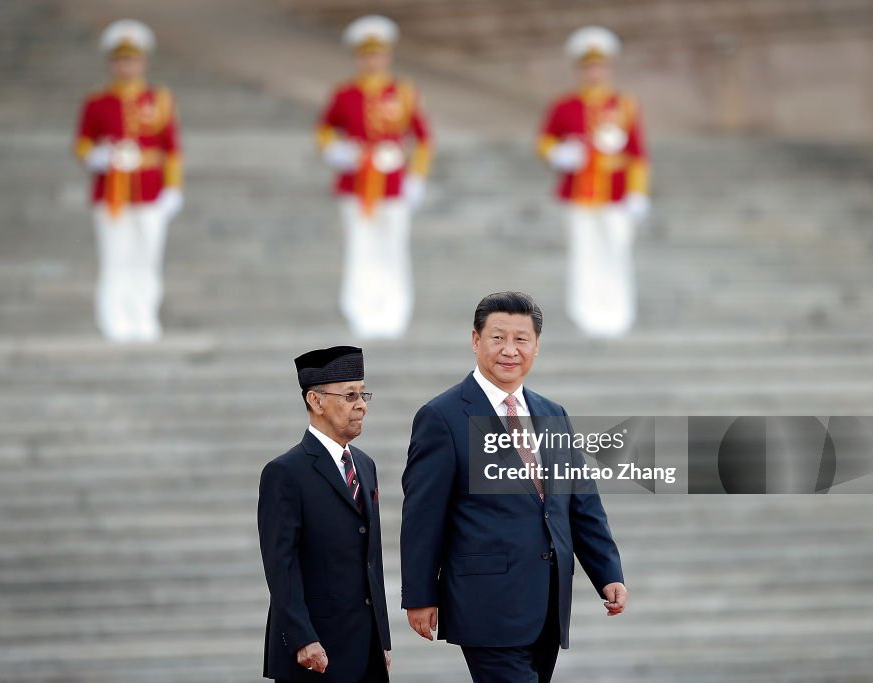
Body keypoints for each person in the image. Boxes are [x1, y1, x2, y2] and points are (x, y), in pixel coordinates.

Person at [400, 292, 628, 683]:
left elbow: (582, 502)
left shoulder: (552, 414)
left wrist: (608, 572)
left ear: (536, 346)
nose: (510, 350)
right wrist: (420, 595)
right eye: (497, 338)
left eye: (521, 339)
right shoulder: (443, 416)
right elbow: (422, 515)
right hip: (486, 604)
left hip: (548, 603)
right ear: (476, 341)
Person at [258, 346, 391, 682]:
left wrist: (383, 639)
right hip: (316, 654)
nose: (361, 404)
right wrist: (302, 637)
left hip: (366, 650)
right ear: (315, 401)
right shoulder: (285, 473)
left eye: (363, 394)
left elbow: (371, 560)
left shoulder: (365, 465)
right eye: (349, 395)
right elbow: (281, 565)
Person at [316, 15, 432, 341]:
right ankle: (361, 310)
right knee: (360, 246)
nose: (373, 60)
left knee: (393, 246)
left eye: (378, 54)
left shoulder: (404, 93)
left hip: (393, 179)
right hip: (355, 182)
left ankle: (394, 311)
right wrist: (336, 152)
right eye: (367, 54)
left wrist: (417, 177)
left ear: (387, 56)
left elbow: (423, 138)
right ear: (358, 57)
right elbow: (324, 129)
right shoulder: (345, 94)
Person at [73, 19, 183, 343]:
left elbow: (172, 149)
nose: (127, 65)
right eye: (120, 59)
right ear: (112, 63)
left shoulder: (159, 100)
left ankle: (144, 315)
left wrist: (173, 187)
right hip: (112, 192)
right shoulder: (98, 101)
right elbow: (82, 142)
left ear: (143, 62)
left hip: (150, 190)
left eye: (132, 59)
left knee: (148, 256)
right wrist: (97, 157)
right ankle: (113, 317)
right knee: (115, 257)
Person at [537, 26, 650, 338]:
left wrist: (638, 191)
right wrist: (557, 153)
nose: (595, 72)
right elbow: (545, 140)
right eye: (588, 66)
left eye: (599, 65)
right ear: (580, 70)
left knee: (616, 252)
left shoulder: (624, 105)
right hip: (578, 194)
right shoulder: (565, 105)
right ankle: (586, 314)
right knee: (583, 255)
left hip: (615, 194)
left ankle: (617, 313)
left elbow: (637, 153)